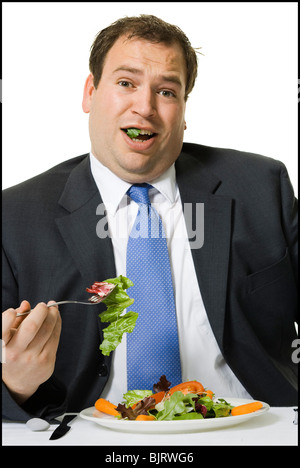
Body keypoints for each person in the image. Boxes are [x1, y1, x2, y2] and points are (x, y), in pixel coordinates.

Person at [2, 15, 298, 423]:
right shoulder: (13, 216)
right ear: (91, 92)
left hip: (251, 425)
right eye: (126, 83)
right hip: (93, 432)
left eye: (166, 91)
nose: (145, 107)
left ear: (184, 110)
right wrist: (17, 382)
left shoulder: (263, 187)